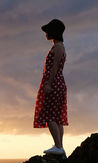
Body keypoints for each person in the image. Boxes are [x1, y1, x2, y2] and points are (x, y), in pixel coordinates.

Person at [33, 19, 68, 155]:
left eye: (47, 30)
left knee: (50, 115)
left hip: (54, 83)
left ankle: (58, 147)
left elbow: (54, 68)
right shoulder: (58, 46)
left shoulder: (58, 47)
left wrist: (48, 84)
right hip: (57, 83)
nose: (46, 33)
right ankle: (59, 146)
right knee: (56, 116)